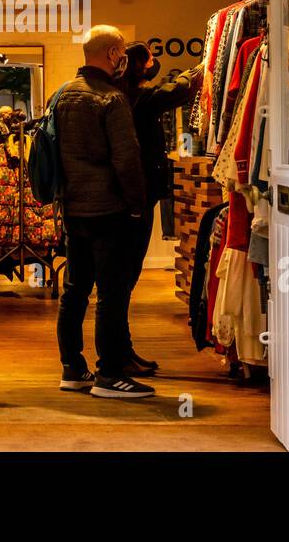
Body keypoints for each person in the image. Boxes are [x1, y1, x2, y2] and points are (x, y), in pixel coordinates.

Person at [53, 24, 153, 399]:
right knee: (111, 294)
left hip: (74, 210)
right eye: (122, 50)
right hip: (110, 211)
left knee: (75, 290)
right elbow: (126, 159)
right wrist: (136, 207)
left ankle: (72, 369)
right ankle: (110, 373)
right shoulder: (111, 99)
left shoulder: (62, 96)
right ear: (113, 54)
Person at [118, 43, 202, 374]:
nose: (154, 64)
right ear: (139, 67)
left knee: (122, 282)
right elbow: (171, 93)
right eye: (150, 60)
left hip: (137, 196)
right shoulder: (136, 99)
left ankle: (123, 352)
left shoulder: (129, 96)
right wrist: (197, 72)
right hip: (135, 199)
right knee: (123, 281)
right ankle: (118, 357)